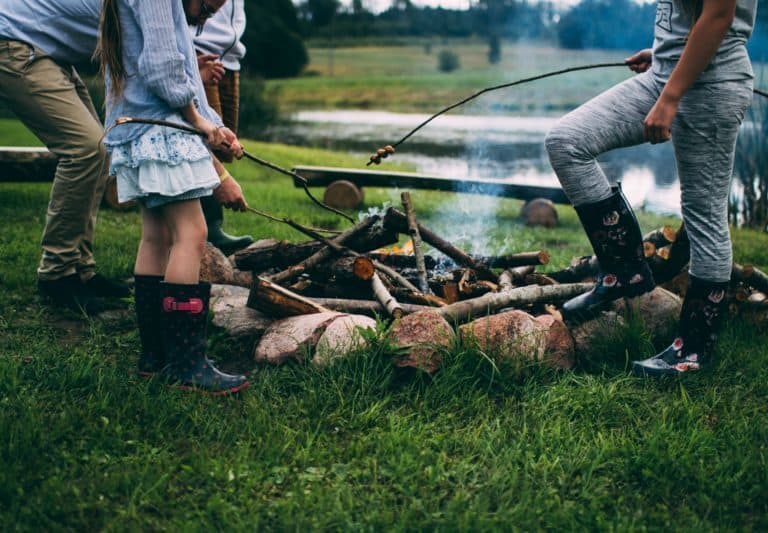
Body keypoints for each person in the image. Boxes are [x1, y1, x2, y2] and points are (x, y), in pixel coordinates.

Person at [544, 0, 756, 377]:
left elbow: (720, 14)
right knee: (566, 141)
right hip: (666, 74)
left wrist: (671, 97)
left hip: (710, 86)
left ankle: (692, 350)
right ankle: (624, 271)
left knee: (704, 214)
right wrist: (666, 53)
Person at [98, 0, 249, 394]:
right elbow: (163, 67)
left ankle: (157, 356)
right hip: (160, 129)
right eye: (210, 4)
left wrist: (216, 128)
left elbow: (177, 73)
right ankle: (187, 364)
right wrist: (201, 124)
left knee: (157, 238)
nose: (212, 14)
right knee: (192, 235)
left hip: (138, 127)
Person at [0, 0, 131, 311]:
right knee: (86, 149)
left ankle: (81, 269)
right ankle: (57, 275)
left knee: (100, 150)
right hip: (15, 40)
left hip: (47, 48)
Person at [192, 0, 254, 255]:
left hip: (231, 57)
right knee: (204, 139)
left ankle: (207, 225)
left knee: (225, 146)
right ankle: (207, 226)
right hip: (200, 51)